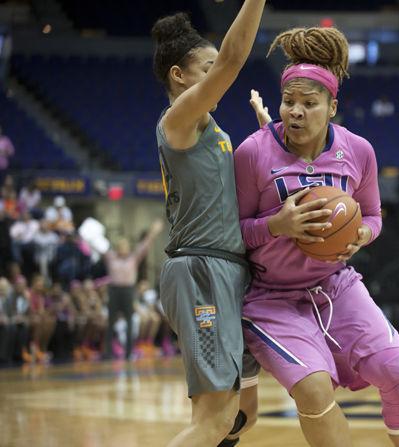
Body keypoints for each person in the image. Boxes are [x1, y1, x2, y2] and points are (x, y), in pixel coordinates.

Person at [236, 27, 399, 447]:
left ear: (332, 106)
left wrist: (361, 233)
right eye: (289, 102)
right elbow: (231, 234)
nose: (296, 112)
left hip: (335, 287)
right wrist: (276, 225)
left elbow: (374, 215)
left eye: (309, 103)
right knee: (314, 388)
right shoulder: (251, 153)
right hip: (271, 298)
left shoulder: (359, 151)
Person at [151, 5, 265, 446]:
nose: (218, 71)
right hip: (201, 269)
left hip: (230, 271)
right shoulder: (177, 121)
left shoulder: (213, 130)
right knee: (213, 420)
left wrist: (268, 136)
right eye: (207, 66)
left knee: (242, 416)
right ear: (179, 76)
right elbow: (234, 58)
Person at [103, 220, 163, 360]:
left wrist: (153, 231)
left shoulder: (133, 258)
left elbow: (145, 245)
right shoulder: (111, 257)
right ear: (117, 247)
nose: (123, 248)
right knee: (111, 321)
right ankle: (108, 352)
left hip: (128, 290)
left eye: (125, 246)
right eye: (120, 246)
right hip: (114, 290)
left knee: (130, 320)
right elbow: (98, 245)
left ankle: (129, 352)